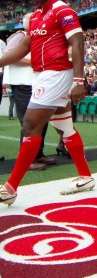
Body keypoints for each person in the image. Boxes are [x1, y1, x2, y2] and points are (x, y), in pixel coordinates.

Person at [0, 0, 94, 206]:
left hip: (56, 73)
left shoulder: (63, 11)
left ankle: (10, 188)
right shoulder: (36, 17)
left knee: (31, 124)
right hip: (44, 75)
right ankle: (85, 176)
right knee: (63, 125)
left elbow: (78, 43)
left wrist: (79, 79)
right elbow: (23, 47)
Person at [1, 13, 57, 171]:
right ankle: (27, 159)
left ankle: (37, 154)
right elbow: (9, 56)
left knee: (41, 120)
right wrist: (34, 61)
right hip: (23, 84)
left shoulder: (33, 37)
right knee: (29, 121)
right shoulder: (20, 36)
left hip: (34, 83)